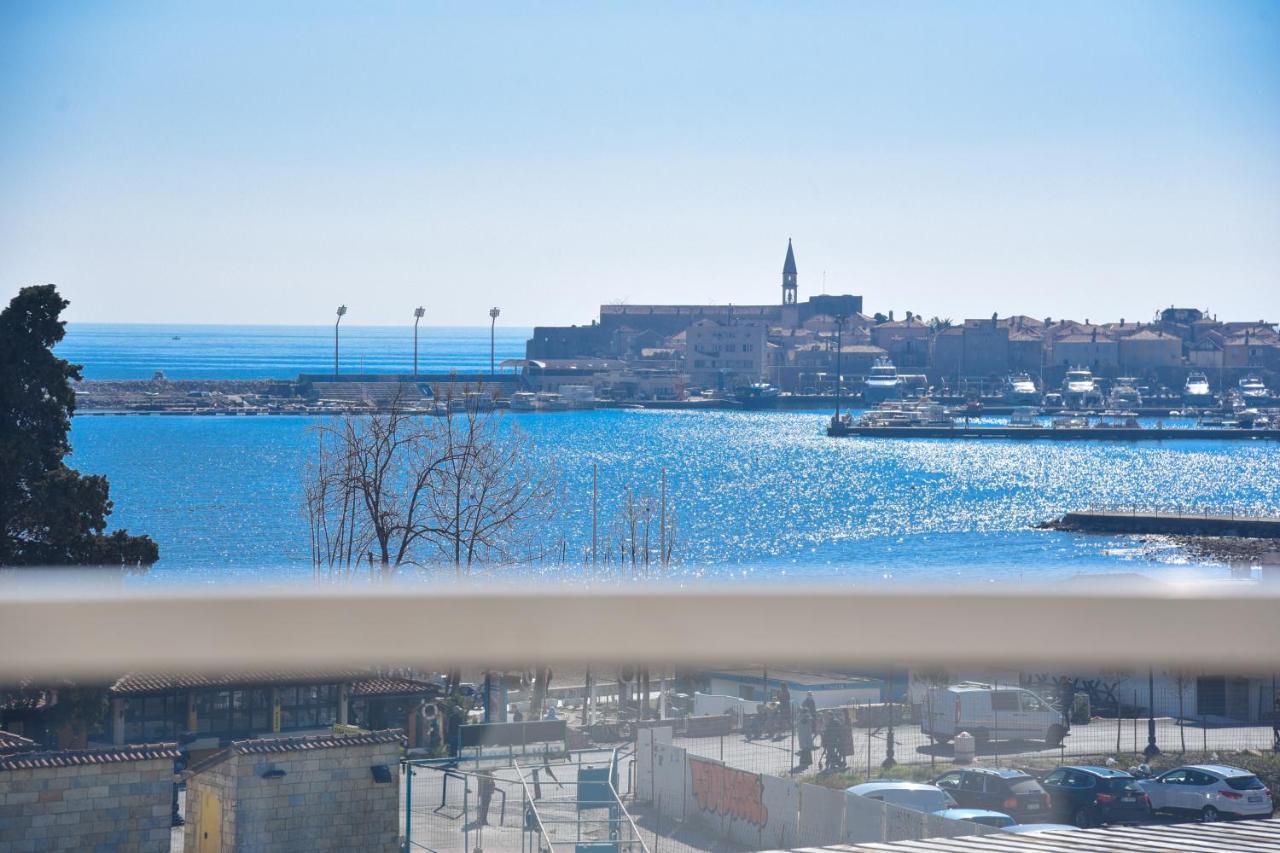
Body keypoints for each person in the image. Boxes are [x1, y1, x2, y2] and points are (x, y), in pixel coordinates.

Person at [795, 707, 815, 771]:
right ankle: (804, 762)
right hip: (805, 735)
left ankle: (808, 761)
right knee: (806, 749)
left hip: (804, 735)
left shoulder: (801, 716)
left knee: (806, 749)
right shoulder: (804, 717)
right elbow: (805, 721)